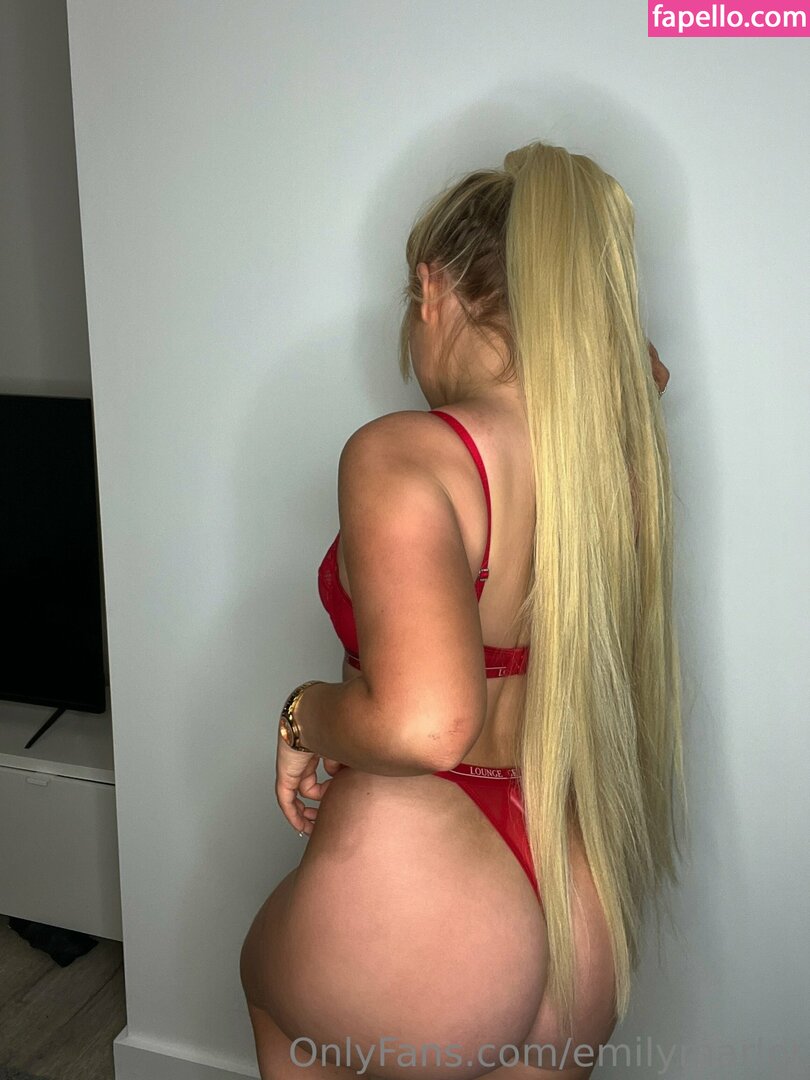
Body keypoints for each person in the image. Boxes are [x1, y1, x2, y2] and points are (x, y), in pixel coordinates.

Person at [240, 139, 684, 1080]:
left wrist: (302, 714)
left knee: (267, 985)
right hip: (572, 891)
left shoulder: (406, 456)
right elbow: (646, 373)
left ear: (431, 289)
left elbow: (427, 723)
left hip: (420, 881)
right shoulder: (614, 454)